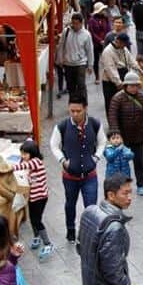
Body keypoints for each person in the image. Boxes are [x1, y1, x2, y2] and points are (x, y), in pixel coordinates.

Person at [50, 94, 105, 243]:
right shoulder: (61, 126)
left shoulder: (94, 124)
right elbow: (54, 145)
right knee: (70, 204)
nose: (74, 114)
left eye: (78, 111)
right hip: (70, 177)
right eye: (72, 111)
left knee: (91, 207)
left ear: (85, 109)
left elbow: (102, 142)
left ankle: (90, 233)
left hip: (90, 175)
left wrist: (96, 158)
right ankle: (70, 230)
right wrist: (63, 160)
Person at [106, 72, 143, 196]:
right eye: (131, 85)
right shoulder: (117, 98)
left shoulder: (142, 98)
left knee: (139, 161)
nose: (134, 88)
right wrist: (115, 134)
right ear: (125, 85)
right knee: (120, 163)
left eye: (136, 85)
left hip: (138, 135)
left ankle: (140, 184)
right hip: (123, 137)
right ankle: (121, 185)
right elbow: (112, 116)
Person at [19, 139, 53, 259]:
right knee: (33, 218)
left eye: (25, 154)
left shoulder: (35, 162)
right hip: (33, 196)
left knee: (36, 220)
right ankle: (36, 237)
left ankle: (48, 243)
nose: (22, 156)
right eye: (22, 153)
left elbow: (22, 166)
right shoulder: (32, 162)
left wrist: (7, 167)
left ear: (32, 153)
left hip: (40, 197)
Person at [56, 14, 93, 97]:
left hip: (80, 63)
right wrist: (60, 59)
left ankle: (83, 103)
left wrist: (90, 65)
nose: (74, 25)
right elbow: (61, 46)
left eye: (76, 23)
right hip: (68, 63)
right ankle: (72, 103)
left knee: (81, 85)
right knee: (70, 86)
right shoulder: (66, 31)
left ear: (81, 23)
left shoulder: (86, 34)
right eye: (73, 23)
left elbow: (90, 50)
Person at [100, 32, 139, 110]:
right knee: (112, 104)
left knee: (123, 104)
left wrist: (139, 69)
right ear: (119, 42)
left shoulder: (123, 48)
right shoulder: (107, 51)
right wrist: (118, 82)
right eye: (124, 44)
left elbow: (130, 60)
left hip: (123, 77)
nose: (125, 46)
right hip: (110, 81)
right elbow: (110, 69)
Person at [88, 2, 112, 84]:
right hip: (96, 43)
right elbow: (92, 33)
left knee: (107, 59)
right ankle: (97, 76)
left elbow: (109, 29)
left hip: (105, 41)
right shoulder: (91, 20)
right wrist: (99, 40)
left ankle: (108, 74)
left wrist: (106, 39)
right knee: (96, 60)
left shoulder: (105, 18)